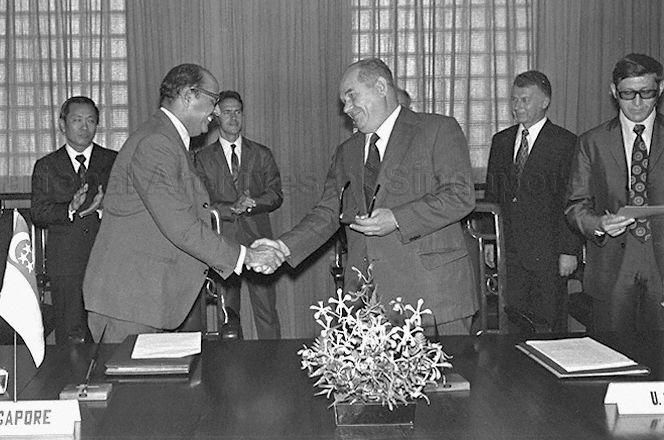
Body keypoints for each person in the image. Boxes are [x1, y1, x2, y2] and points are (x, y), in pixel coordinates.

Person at [255, 58, 478, 335]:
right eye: (343, 102)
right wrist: (283, 247)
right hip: (368, 302)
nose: (346, 109)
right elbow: (327, 214)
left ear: (381, 86)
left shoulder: (437, 129)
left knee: (445, 379)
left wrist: (397, 218)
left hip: (433, 298)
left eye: (351, 96)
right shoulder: (346, 152)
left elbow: (460, 195)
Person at [82, 63, 284, 342]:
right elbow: (181, 226)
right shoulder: (157, 142)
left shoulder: (167, 139)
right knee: (128, 385)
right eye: (213, 102)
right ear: (189, 96)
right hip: (130, 301)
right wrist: (245, 256)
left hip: (145, 299)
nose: (216, 113)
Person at [566, 53, 664, 333]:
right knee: (611, 360)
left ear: (660, 89)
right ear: (613, 91)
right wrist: (599, 224)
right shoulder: (591, 142)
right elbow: (575, 207)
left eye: (646, 93)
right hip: (611, 270)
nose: (636, 103)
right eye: (627, 94)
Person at [484, 70, 582, 332]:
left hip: (549, 254)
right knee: (513, 325)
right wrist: (491, 241)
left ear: (545, 102)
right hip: (510, 253)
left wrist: (569, 250)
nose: (517, 106)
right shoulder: (501, 141)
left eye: (525, 100)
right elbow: (493, 197)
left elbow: (574, 201)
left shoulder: (566, 143)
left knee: (549, 326)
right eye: (514, 100)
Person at [195, 90, 283, 339]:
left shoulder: (262, 153)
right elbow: (201, 202)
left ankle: (272, 364)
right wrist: (231, 208)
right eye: (227, 112)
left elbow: (276, 194)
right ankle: (232, 369)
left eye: (238, 112)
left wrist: (253, 203)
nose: (233, 117)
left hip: (259, 241)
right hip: (225, 242)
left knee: (266, 312)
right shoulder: (201, 158)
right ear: (216, 116)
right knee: (228, 315)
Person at [31, 96, 117, 344]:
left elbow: (129, 206)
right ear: (62, 124)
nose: (84, 127)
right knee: (70, 335)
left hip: (107, 259)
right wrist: (69, 208)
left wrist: (103, 208)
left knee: (107, 336)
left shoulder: (114, 160)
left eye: (91, 121)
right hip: (66, 262)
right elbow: (38, 212)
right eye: (77, 120)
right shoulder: (47, 166)